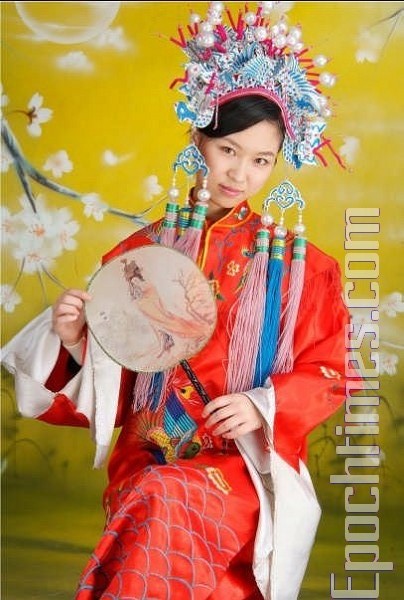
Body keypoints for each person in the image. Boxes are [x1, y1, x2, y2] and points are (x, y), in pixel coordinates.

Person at [1, 3, 357, 599]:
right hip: (151, 456)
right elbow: (110, 395)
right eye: (228, 150)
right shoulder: (139, 255)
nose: (240, 174)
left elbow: (332, 370)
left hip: (243, 465)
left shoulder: (302, 269)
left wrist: (263, 405)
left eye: (261, 160)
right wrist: (75, 343)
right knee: (157, 493)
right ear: (199, 139)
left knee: (165, 502)